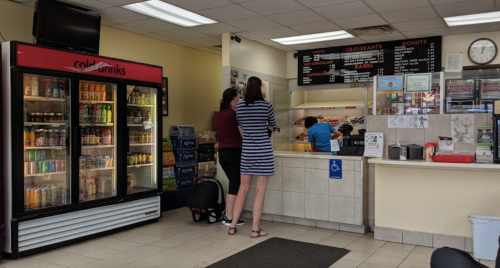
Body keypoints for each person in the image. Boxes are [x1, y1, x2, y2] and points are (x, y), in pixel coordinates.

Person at [228, 76, 277, 238]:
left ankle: (232, 225)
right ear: (261, 89)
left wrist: (249, 137)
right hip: (264, 151)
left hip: (247, 151)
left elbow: (240, 128)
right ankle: (255, 229)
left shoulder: (240, 106)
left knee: (243, 189)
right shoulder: (267, 106)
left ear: (247, 88)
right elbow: (272, 126)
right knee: (260, 190)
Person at [216, 88, 244, 227]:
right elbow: (242, 133)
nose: (239, 98)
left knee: (234, 182)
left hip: (222, 153)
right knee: (235, 184)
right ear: (233, 98)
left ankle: (230, 215)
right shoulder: (235, 113)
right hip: (234, 152)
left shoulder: (219, 114)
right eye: (238, 96)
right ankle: (229, 217)